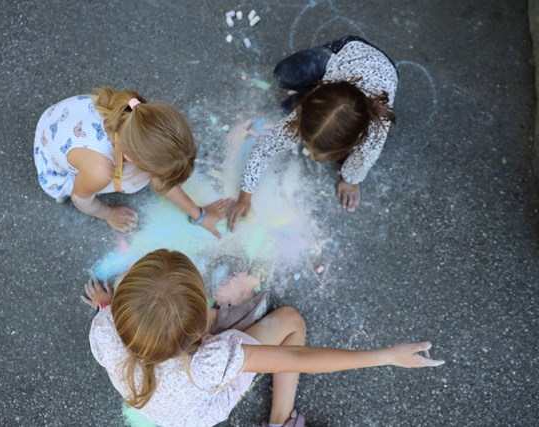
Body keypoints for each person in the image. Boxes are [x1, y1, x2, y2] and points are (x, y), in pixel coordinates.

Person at [82, 249, 444, 427]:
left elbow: (115, 318)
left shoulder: (104, 330)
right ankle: (279, 421)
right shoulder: (212, 359)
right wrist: (386, 355)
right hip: (204, 405)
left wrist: (105, 305)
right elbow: (298, 358)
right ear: (202, 328)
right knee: (289, 321)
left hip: (165, 411)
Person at [228, 35, 398, 230]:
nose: (316, 156)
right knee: (283, 74)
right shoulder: (310, 110)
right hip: (346, 52)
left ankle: (305, 96)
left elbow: (361, 163)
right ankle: (307, 90)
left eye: (321, 151)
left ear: (357, 139)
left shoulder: (372, 139)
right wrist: (245, 195)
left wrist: (350, 181)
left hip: (384, 70)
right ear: (306, 106)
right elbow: (265, 149)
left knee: (348, 160)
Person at [33, 87, 232, 237]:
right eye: (156, 174)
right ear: (128, 157)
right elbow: (80, 198)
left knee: (151, 168)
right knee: (134, 180)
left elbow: (161, 173)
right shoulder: (100, 169)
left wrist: (200, 214)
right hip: (52, 162)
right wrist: (108, 213)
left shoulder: (134, 114)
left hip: (60, 118)